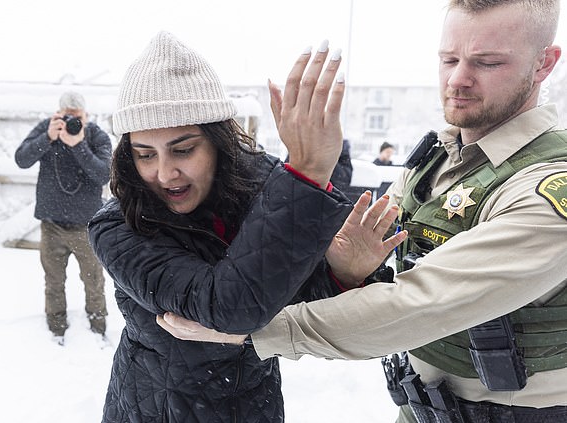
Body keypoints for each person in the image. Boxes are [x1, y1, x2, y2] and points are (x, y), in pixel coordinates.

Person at [157, 1, 567, 422]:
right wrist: (348, 269)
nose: (458, 79)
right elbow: (375, 258)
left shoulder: (550, 188)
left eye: (488, 62)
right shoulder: (440, 160)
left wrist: (255, 330)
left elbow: (420, 304)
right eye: (449, 59)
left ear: (543, 64)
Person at [87, 32, 404, 423]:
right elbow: (230, 308)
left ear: (218, 141)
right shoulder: (117, 227)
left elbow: (288, 306)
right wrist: (306, 175)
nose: (165, 173)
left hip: (254, 406)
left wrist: (342, 274)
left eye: (183, 149)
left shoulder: (264, 185)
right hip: (156, 409)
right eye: (144, 154)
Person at [15, 91, 111, 344]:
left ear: (86, 115)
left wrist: (78, 144)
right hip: (51, 225)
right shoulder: (47, 129)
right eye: (66, 114)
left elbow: (104, 175)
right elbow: (21, 159)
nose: (71, 120)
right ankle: (55, 328)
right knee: (53, 281)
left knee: (93, 282)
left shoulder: (96, 135)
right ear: (58, 113)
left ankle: (98, 328)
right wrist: (47, 137)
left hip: (86, 227)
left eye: (76, 116)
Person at [285, 138, 353, 191]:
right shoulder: (301, 146)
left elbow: (343, 181)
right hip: (303, 194)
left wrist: (326, 155)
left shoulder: (341, 147)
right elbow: (287, 175)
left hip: (329, 199)